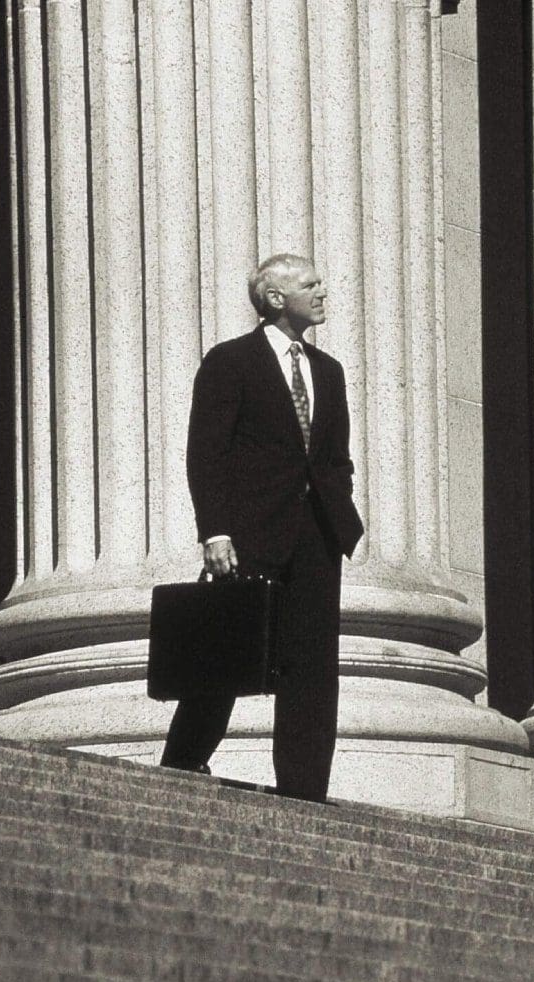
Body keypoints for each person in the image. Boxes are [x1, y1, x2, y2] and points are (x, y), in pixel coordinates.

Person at [159, 253, 364, 802]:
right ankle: (182, 761)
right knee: (227, 652)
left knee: (313, 668)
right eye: (309, 283)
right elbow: (207, 453)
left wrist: (340, 506)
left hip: (317, 534)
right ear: (275, 298)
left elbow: (335, 455)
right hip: (249, 532)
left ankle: (303, 791)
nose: (323, 290)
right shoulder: (231, 362)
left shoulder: (328, 371)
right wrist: (216, 530)